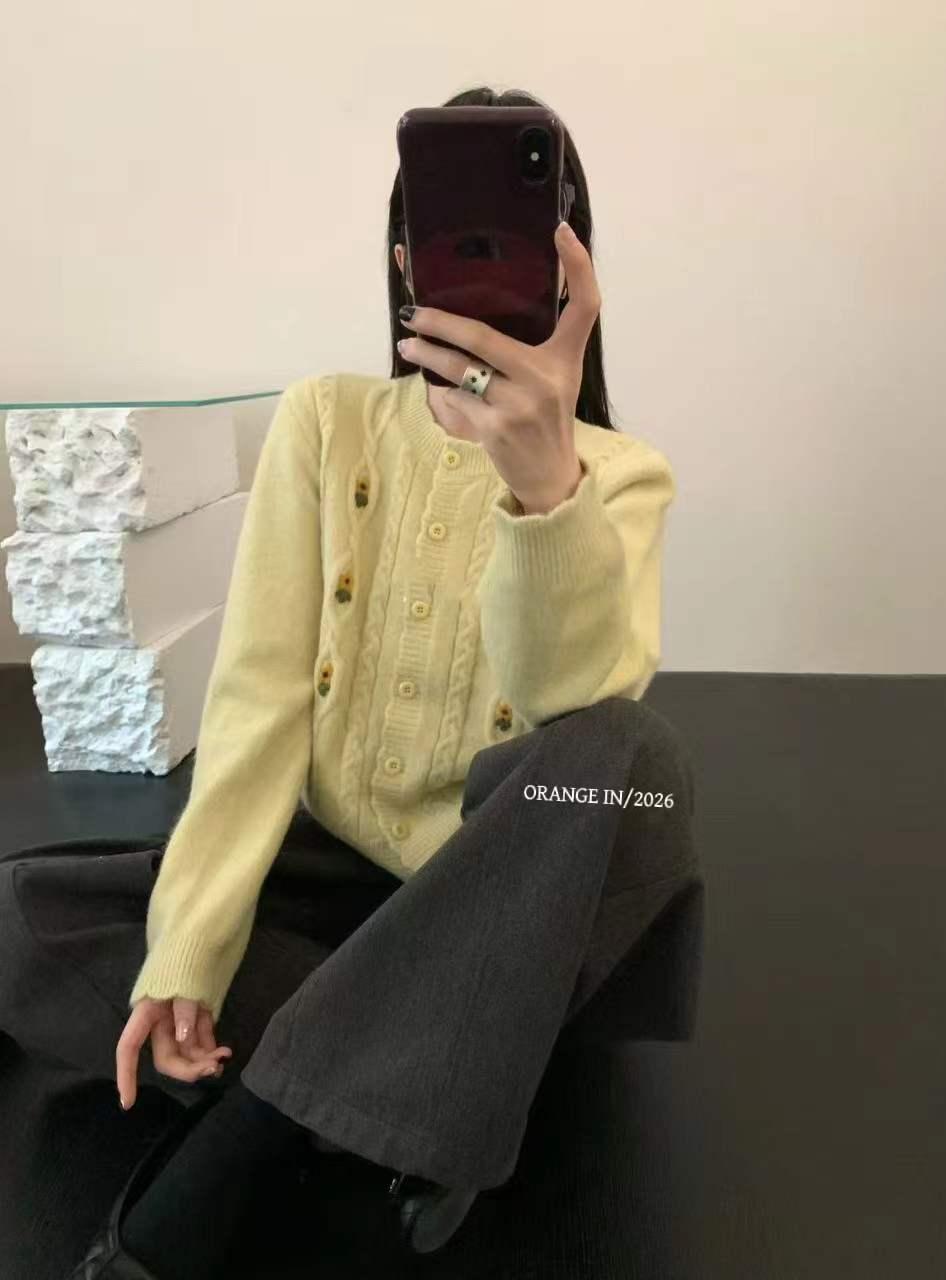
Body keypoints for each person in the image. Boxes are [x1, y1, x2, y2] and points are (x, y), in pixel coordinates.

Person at [0, 85, 703, 1279]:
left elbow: (566, 703)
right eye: (446, 231)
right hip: (333, 878)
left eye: (515, 238)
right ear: (404, 259)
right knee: (28, 914)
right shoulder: (325, 422)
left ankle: (260, 1133)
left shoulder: (620, 473)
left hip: (510, 883)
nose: (478, 259)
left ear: (570, 272)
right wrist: (188, 951)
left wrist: (545, 490)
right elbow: (258, 698)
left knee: (629, 769)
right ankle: (426, 1078)